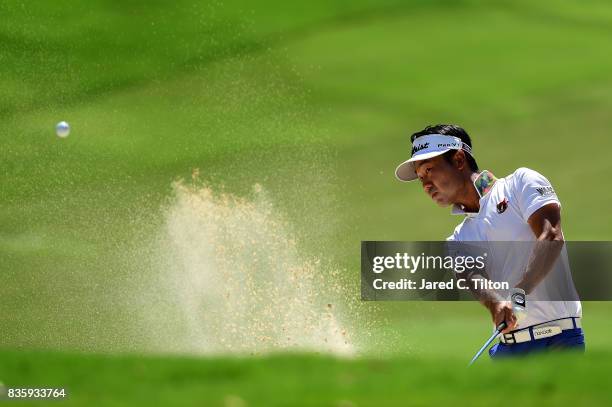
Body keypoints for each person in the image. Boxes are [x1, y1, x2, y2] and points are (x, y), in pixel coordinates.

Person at [394, 124, 585, 358]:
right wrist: (496, 304)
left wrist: (519, 294)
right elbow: (473, 278)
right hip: (507, 350)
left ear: (459, 159)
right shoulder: (457, 239)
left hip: (558, 341)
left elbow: (551, 236)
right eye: (420, 177)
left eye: (430, 170)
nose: (425, 184)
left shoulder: (520, 184)